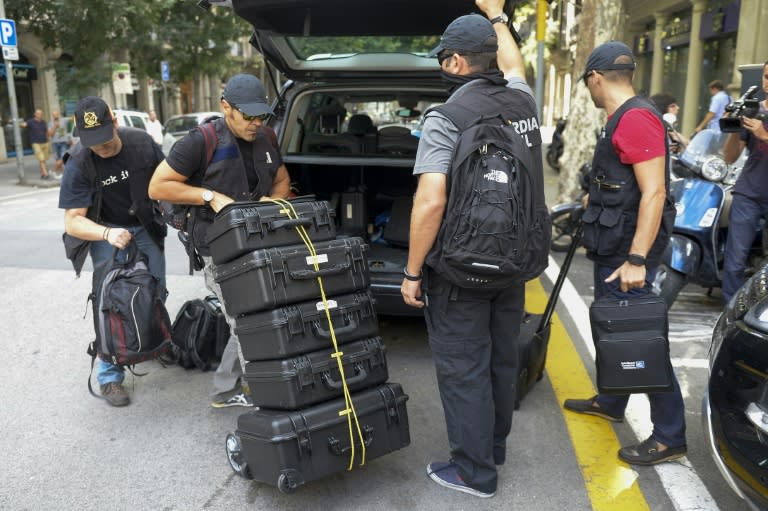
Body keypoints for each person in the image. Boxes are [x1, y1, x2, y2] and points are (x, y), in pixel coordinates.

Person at [400, 0, 541, 498]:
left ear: (457, 62)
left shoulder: (446, 117)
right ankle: (494, 447)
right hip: (513, 263)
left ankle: (474, 472)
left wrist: (413, 271)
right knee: (502, 361)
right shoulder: (525, 102)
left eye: (444, 58)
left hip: (458, 271)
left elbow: (430, 201)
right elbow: (517, 67)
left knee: (464, 370)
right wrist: (497, 15)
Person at [562, 41, 687, 466]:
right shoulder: (624, 116)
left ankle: (670, 435)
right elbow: (628, 184)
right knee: (616, 332)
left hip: (628, 254)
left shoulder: (634, 118)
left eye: (588, 84)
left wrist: (637, 259)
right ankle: (612, 402)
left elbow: (654, 192)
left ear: (595, 78)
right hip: (613, 244)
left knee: (642, 340)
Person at [148, 73, 291, 408]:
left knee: (250, 318)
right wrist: (209, 195)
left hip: (259, 244)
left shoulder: (267, 137)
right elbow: (157, 186)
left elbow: (282, 179)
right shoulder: (200, 141)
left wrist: (273, 203)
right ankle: (261, 398)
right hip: (218, 250)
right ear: (226, 107)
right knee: (246, 320)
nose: (256, 123)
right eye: (248, 116)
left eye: (262, 116)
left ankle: (226, 388)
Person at [58, 96, 167, 407]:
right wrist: (107, 233)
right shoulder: (80, 161)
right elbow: (72, 222)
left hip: (144, 227)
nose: (102, 147)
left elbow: (167, 182)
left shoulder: (142, 143)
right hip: (104, 230)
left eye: (105, 138)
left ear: (115, 123)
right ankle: (109, 376)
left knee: (155, 291)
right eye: (93, 142)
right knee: (109, 303)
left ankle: (151, 343)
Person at [721, 61, 768, 303]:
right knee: (734, 260)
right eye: (767, 77)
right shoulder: (753, 110)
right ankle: (730, 313)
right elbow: (730, 157)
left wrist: (763, 135)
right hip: (748, 193)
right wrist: (733, 127)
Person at [21, 109, 52, 180]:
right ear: (35, 114)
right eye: (38, 113)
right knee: (41, 158)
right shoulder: (30, 122)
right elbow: (24, 125)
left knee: (43, 159)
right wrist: (21, 124)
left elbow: (47, 132)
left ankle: (42, 174)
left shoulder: (43, 122)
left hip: (45, 142)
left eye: (41, 114)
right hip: (36, 143)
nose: (39, 115)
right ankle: (46, 173)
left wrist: (49, 138)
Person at [49, 110, 70, 176]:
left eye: (56, 114)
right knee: (57, 158)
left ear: (59, 114)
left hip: (63, 142)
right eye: (54, 115)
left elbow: (73, 118)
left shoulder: (64, 120)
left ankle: (54, 170)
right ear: (52, 116)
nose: (55, 116)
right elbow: (50, 134)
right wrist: (55, 127)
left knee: (63, 157)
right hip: (55, 143)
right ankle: (63, 174)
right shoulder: (50, 123)